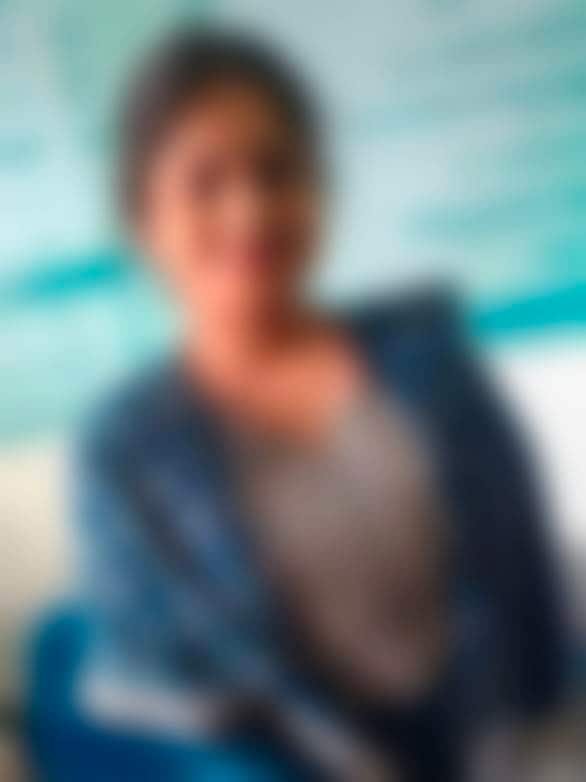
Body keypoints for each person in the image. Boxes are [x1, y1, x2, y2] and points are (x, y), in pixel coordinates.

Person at [74, 27, 565, 781]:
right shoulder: (126, 454)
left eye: (276, 171)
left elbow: (534, 614)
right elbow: (184, 719)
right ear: (144, 219)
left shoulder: (431, 366)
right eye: (205, 181)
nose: (250, 211)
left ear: (317, 187)